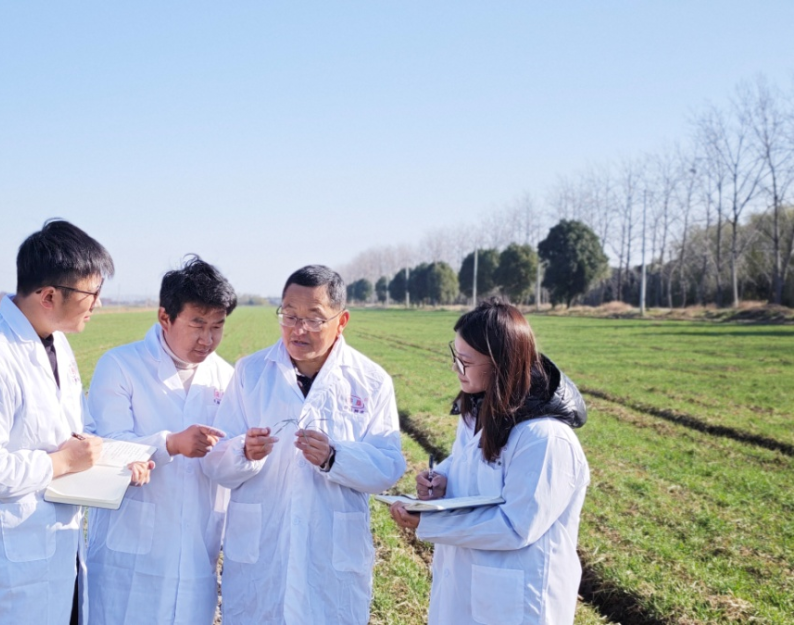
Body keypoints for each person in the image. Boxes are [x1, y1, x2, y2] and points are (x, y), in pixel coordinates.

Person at [0, 219, 152, 625]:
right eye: (92, 293)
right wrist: (61, 462)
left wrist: (115, 465)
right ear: (50, 295)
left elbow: (76, 433)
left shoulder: (57, 343)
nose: (98, 304)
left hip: (59, 555)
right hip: (8, 572)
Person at [203, 265, 406, 625]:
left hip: (331, 564)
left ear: (341, 321)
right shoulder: (251, 372)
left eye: (313, 319)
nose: (298, 329)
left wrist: (335, 457)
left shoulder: (371, 381)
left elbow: (388, 467)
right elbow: (215, 462)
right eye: (289, 315)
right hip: (261, 558)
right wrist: (243, 452)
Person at [389, 298, 589, 625]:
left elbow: (516, 527)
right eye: (455, 357)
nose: (456, 368)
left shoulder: (545, 438)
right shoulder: (478, 413)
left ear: (500, 364)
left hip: (518, 604)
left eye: (465, 361)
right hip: (466, 589)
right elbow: (466, 464)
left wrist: (430, 523)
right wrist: (440, 480)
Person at [85, 255, 238, 624]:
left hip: (196, 553)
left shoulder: (227, 377)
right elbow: (105, 447)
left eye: (217, 326)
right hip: (128, 557)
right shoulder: (120, 366)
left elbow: (231, 459)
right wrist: (170, 445)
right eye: (197, 324)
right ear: (165, 317)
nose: (207, 339)